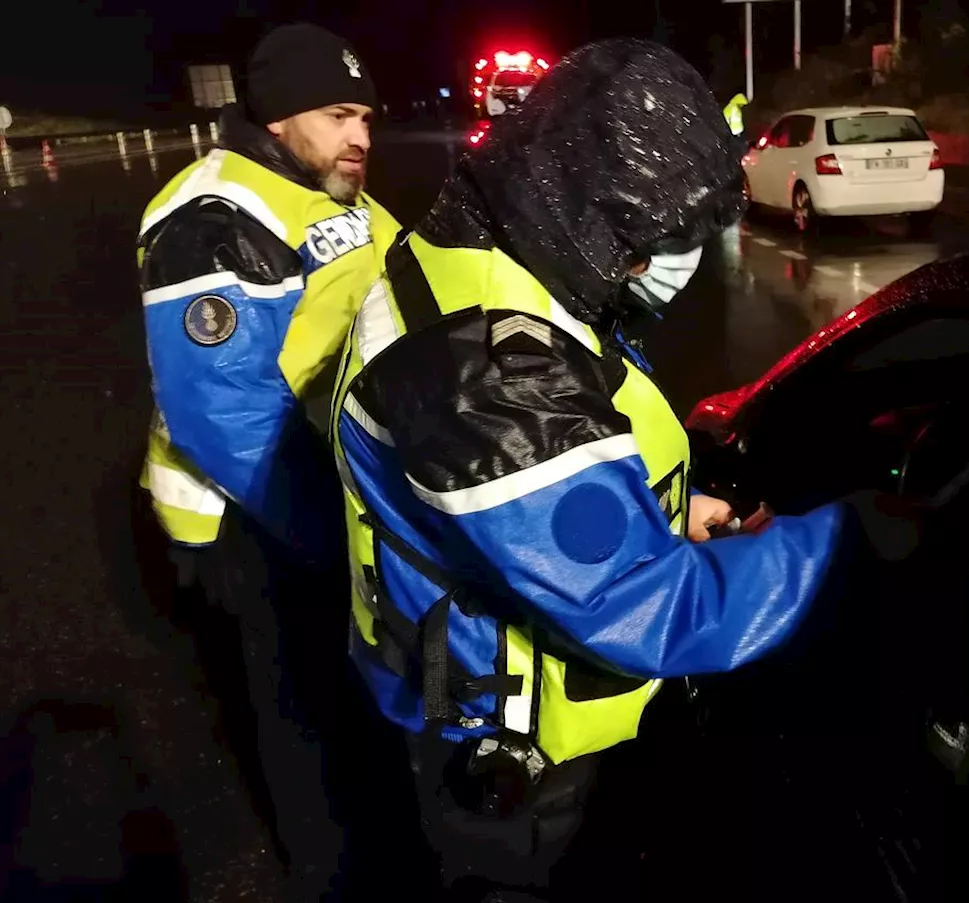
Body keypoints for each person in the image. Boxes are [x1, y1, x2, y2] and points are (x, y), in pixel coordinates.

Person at [330, 38, 900, 901]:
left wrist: (675, 510)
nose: (678, 260)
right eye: (657, 236)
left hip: (471, 679)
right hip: (515, 751)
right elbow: (644, 605)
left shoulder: (475, 267)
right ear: (576, 202)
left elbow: (563, 481)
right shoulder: (485, 373)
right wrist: (841, 542)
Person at [135, 22, 402, 901]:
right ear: (280, 117)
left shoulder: (342, 197)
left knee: (343, 706)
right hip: (248, 516)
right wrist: (331, 534)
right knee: (300, 723)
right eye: (338, 114)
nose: (360, 136)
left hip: (317, 496)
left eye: (364, 114)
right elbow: (223, 414)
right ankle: (334, 878)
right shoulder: (214, 215)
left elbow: (411, 280)